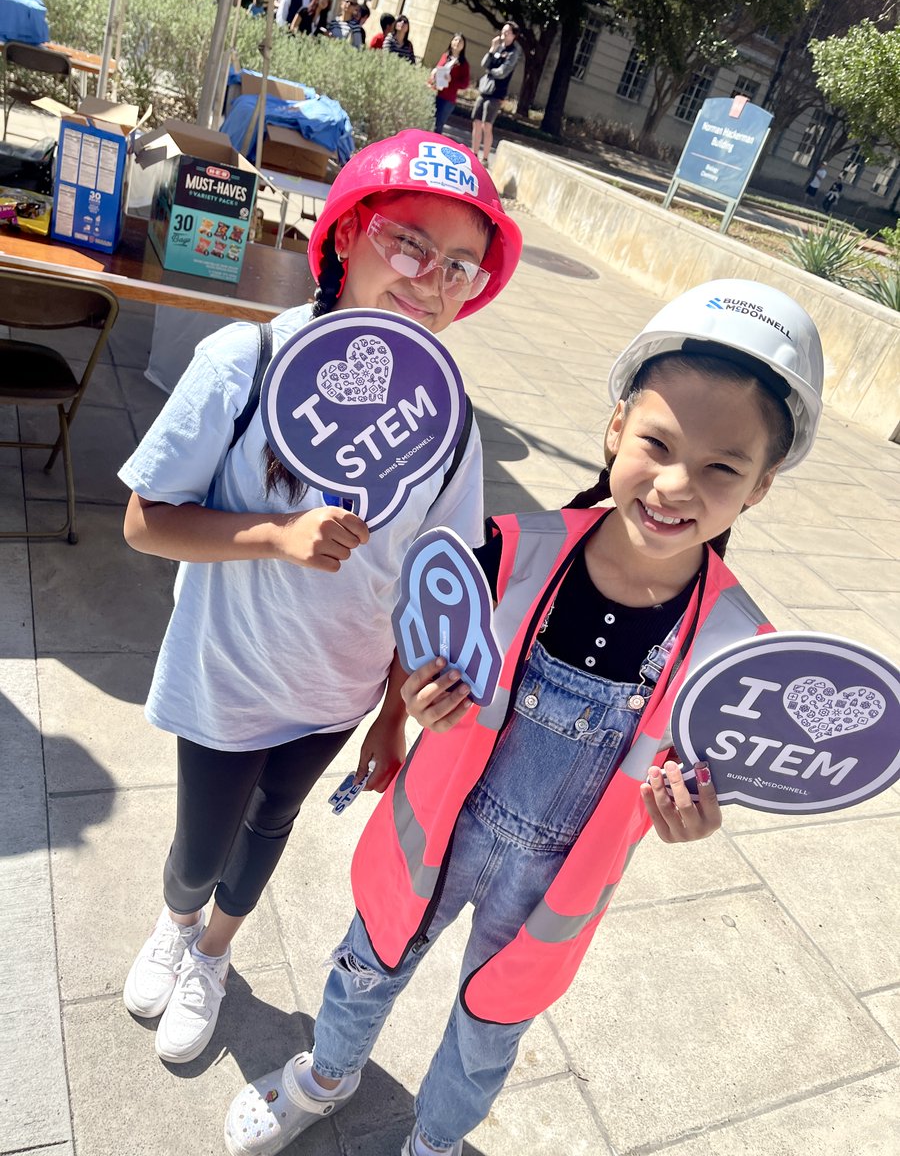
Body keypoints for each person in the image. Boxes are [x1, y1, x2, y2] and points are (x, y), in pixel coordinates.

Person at [223, 278, 826, 1156]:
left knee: (492, 1027)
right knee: (368, 960)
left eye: (721, 468)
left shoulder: (739, 651)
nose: (673, 483)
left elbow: (704, 771)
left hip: (559, 881)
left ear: (761, 487)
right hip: (439, 824)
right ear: (616, 426)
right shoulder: (508, 547)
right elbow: (426, 650)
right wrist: (414, 703)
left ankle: (434, 1142)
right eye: (657, 441)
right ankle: (326, 1073)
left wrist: (691, 818)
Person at [119, 131, 522, 1067]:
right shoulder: (245, 360)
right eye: (409, 245)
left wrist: (390, 717)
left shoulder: (449, 427)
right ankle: (177, 921)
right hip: (224, 680)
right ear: (345, 235)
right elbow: (144, 521)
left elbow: (426, 581)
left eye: (460, 266)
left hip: (332, 696)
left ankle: (214, 954)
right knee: (198, 841)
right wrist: (273, 536)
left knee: (271, 826)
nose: (432, 282)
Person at [471, 21, 520, 163]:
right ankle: (474, 154)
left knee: (487, 125)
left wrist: (490, 71)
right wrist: (492, 49)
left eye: (507, 32)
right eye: (503, 31)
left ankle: (485, 158)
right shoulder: (498, 47)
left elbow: (503, 72)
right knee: (477, 121)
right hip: (485, 89)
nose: (503, 35)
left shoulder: (513, 52)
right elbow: (485, 63)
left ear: (514, 35)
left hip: (497, 93)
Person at [428, 33, 470, 134]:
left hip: (448, 98)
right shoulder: (445, 56)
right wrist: (433, 75)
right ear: (451, 42)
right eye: (455, 40)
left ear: (463, 46)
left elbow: (465, 84)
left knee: (438, 126)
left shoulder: (463, 63)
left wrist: (452, 80)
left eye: (460, 41)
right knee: (429, 122)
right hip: (436, 92)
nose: (457, 43)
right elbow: (438, 69)